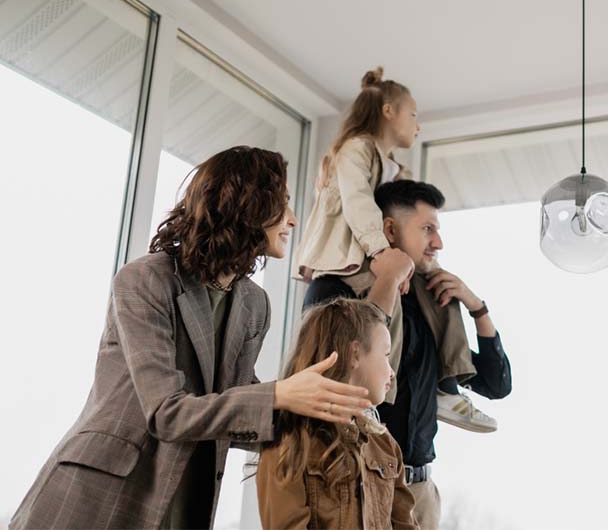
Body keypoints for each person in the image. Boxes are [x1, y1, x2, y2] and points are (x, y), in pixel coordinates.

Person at [11, 147, 373, 530]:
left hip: (184, 500)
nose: (293, 219)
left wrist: (317, 411)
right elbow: (166, 412)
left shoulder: (254, 304)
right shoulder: (145, 280)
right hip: (96, 497)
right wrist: (279, 395)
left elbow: (231, 408)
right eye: (281, 203)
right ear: (247, 204)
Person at [293, 66, 496, 432]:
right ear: (389, 111)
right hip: (350, 259)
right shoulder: (356, 150)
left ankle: (447, 389)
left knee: (438, 285)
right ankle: (384, 396)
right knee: (390, 312)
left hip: (372, 255)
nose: (418, 126)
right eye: (413, 115)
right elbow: (357, 203)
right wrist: (383, 253)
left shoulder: (395, 169)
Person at [305, 179, 512, 529]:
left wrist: (476, 307)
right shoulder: (335, 289)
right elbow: (328, 382)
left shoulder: (433, 302)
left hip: (419, 494)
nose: (438, 243)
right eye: (428, 229)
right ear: (389, 230)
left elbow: (496, 384)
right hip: (354, 485)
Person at [257, 298, 417, 529]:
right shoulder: (290, 442)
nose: (392, 371)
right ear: (355, 354)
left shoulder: (385, 445)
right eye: (386, 355)